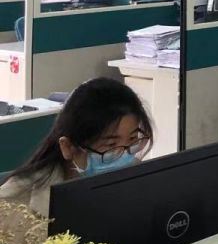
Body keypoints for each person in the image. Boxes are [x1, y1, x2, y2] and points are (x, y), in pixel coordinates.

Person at [0, 78, 153, 220]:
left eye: (132, 140)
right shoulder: (12, 205)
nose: (124, 156)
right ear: (68, 147)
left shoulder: (141, 180)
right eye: (110, 145)